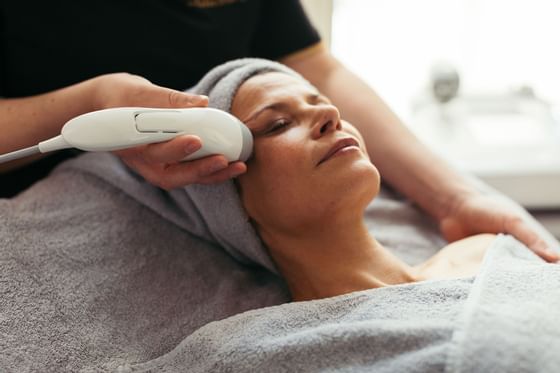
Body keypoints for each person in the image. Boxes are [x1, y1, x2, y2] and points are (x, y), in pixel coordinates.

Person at [0, 0, 556, 263]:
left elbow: (315, 65)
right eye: (278, 123)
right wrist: (89, 103)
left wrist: (453, 195)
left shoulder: (476, 260)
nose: (331, 116)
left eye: (317, 109)